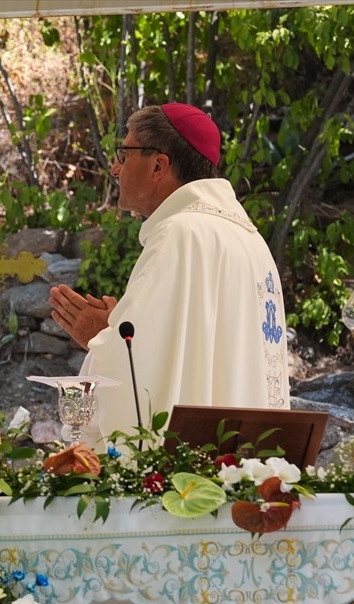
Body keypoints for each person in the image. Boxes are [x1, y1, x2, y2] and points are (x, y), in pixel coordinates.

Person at [49, 103, 290, 441]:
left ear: (158, 165)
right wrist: (121, 329)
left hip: (184, 480)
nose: (115, 169)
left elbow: (141, 372)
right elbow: (187, 346)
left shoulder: (180, 235)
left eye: (124, 154)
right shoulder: (250, 240)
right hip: (243, 463)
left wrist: (101, 339)